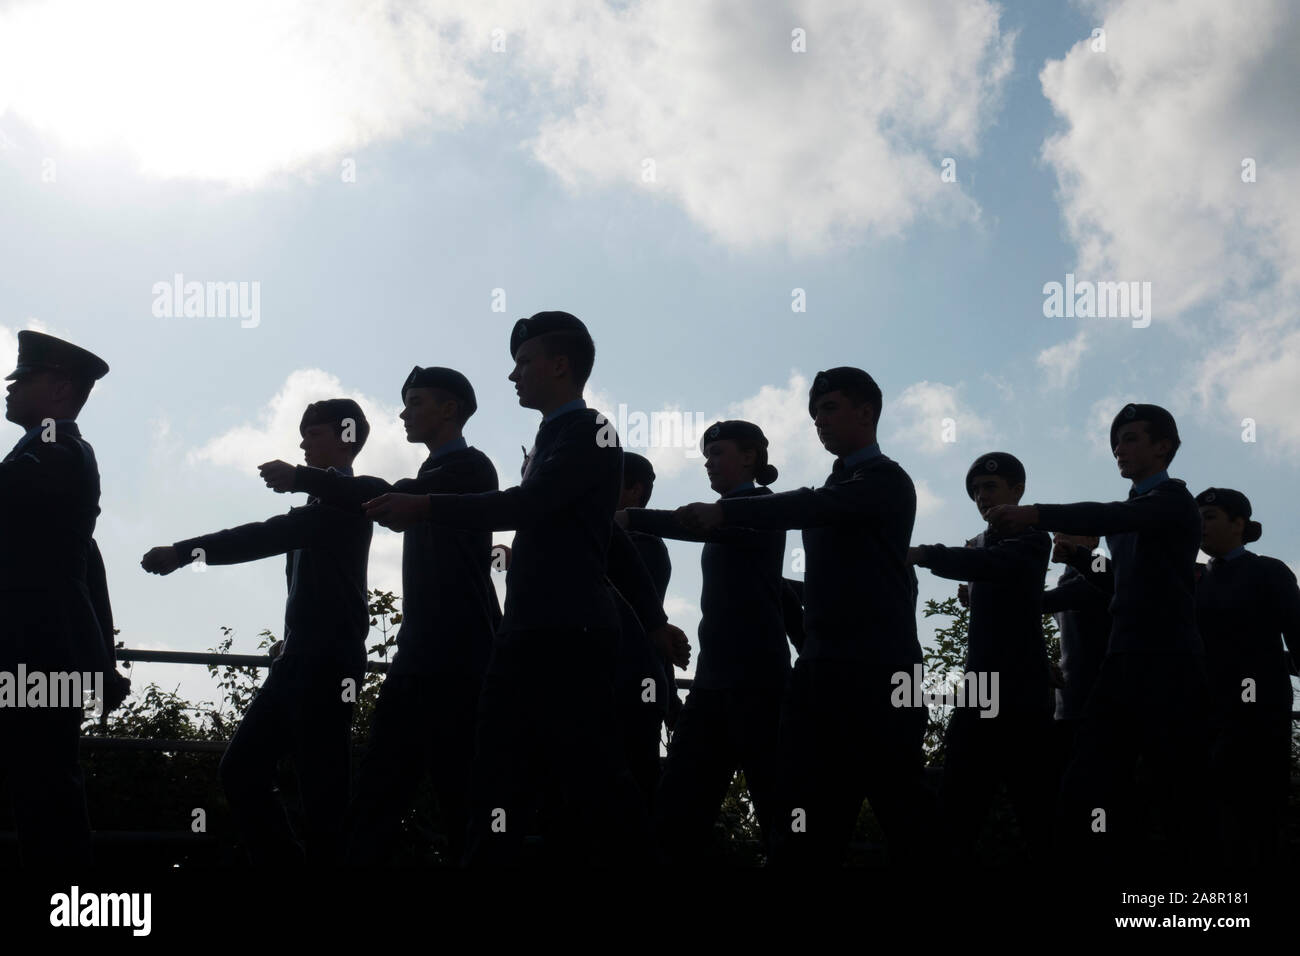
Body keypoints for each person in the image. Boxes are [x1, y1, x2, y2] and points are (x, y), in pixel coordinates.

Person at [362, 311, 689, 865]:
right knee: (494, 786)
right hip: (523, 638)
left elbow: (531, 506)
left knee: (596, 786)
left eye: (523, 362)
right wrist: (655, 620)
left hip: (568, 637)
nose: (513, 375)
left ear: (559, 366)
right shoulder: (551, 438)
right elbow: (605, 536)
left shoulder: (591, 432)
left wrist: (425, 505)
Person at [677, 368, 927, 867]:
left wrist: (727, 512)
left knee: (907, 816)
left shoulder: (883, 482)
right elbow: (821, 584)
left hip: (884, 674)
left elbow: (817, 507)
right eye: (814, 413)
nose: (819, 420)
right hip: (821, 674)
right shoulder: (840, 486)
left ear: (866, 411)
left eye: (830, 408)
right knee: (803, 823)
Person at [260, 367, 500, 866]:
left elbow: (381, 493)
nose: (404, 413)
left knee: (453, 799)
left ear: (448, 409)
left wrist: (305, 477)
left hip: (459, 663)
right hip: (420, 659)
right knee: (378, 796)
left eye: (415, 402)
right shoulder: (434, 477)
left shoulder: (470, 469)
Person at [142, 399, 373, 864]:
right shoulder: (327, 504)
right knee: (265, 775)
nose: (303, 442)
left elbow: (262, 536)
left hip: (324, 664)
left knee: (312, 788)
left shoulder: (340, 506)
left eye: (313, 433)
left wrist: (186, 551)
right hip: (306, 660)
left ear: (345, 436)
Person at [986, 403, 1209, 869]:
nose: (1118, 449)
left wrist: (1035, 515)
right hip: (1121, 662)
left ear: (1163, 446)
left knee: (1177, 791)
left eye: (1130, 439)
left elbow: (1104, 516)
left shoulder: (1171, 501)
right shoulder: (1130, 514)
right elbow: (1117, 583)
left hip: (1169, 662)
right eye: (1115, 441)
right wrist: (1082, 562)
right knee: (1086, 782)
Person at [619, 420, 792, 863]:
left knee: (777, 811)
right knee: (676, 811)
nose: (708, 464)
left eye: (717, 453)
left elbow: (698, 525)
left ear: (750, 457)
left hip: (757, 683)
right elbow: (784, 595)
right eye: (706, 455)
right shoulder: (736, 517)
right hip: (713, 684)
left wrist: (627, 517)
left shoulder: (758, 507)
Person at [0, 330, 120, 866]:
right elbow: (85, 561)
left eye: (21, 379)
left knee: (45, 792)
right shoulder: (46, 450)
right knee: (41, 791)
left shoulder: (57, 449)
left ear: (58, 388)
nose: (10, 387)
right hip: (40, 648)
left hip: (39, 650)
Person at [909, 452, 1054, 861]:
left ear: (1018, 490)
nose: (981, 496)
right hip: (979, 691)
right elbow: (982, 563)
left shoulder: (1032, 538)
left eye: (990, 487)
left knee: (1037, 810)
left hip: (1023, 690)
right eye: (975, 491)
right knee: (958, 807)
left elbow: (994, 564)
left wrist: (924, 553)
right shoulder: (978, 545)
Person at [1194, 487, 1299, 866]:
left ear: (1239, 524)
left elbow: (1297, 635)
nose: (1200, 527)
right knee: (1216, 814)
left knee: (1261, 811)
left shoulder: (1268, 570)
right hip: (1208, 714)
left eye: (1209, 518)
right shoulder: (1195, 580)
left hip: (1261, 714)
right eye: (1196, 519)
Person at [1041, 534, 1111, 779]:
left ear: (1093, 539)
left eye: (1068, 529)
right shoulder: (1065, 581)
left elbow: (1046, 601)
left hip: (1097, 706)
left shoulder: (1101, 573)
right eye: (1056, 533)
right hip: (1068, 705)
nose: (1058, 537)